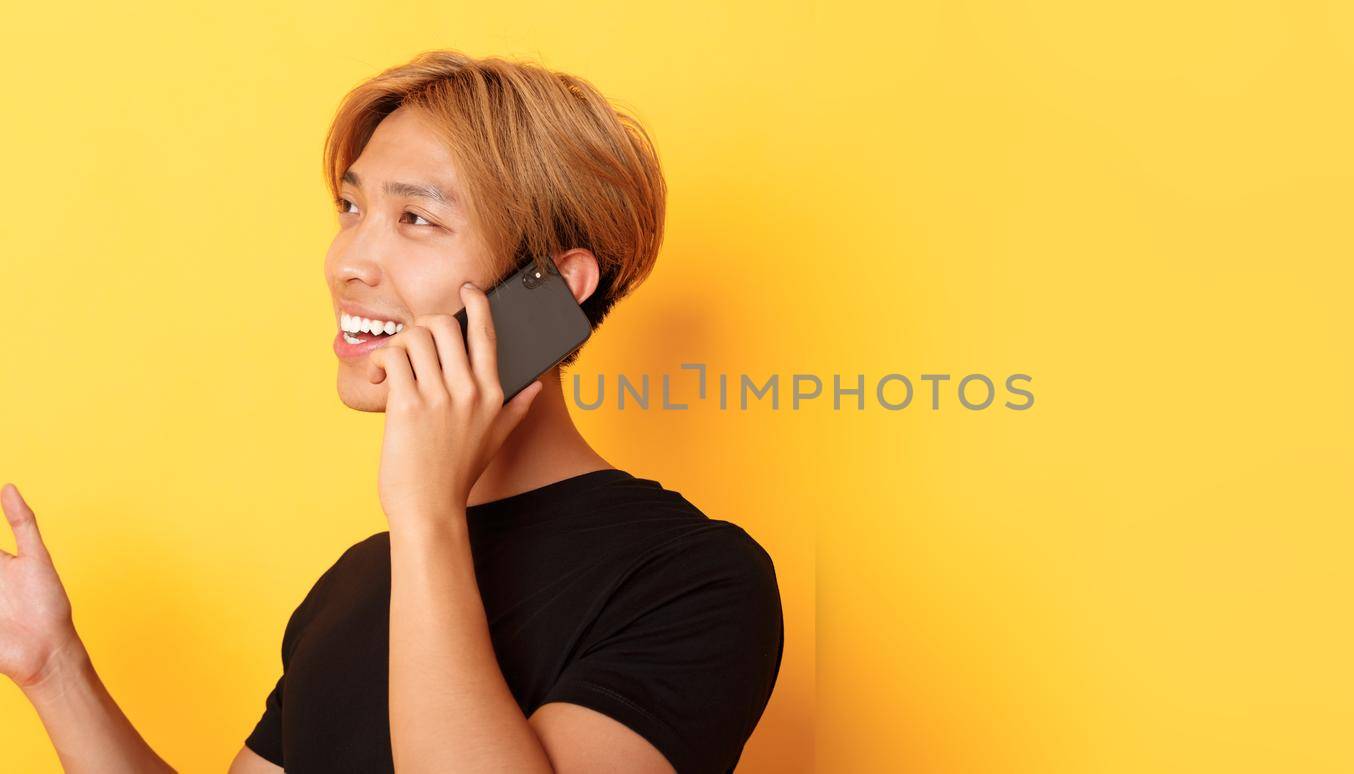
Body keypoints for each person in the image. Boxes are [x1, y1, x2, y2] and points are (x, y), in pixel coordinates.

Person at [0, 50, 784, 773]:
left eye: (416, 219)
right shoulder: (358, 581)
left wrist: (425, 512)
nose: (348, 263)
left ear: (551, 288)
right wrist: (52, 666)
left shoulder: (694, 579)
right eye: (350, 209)